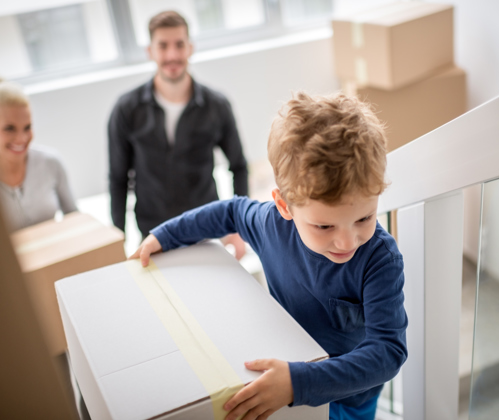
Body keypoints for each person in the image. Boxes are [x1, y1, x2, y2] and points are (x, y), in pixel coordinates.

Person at [132, 92, 408, 420]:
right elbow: (230, 212)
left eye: (364, 218)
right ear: (284, 206)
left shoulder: (380, 259)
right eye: (324, 225)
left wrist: (297, 383)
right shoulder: (270, 225)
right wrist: (166, 234)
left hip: (349, 394)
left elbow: (388, 352)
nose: (348, 240)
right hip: (284, 369)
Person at [108, 10, 248, 257]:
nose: (172, 54)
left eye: (179, 45)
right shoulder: (126, 110)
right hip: (152, 233)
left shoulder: (217, 105)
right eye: (163, 46)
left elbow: (238, 166)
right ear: (150, 51)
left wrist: (240, 228)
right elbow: (118, 178)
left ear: (190, 48)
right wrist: (117, 239)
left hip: (207, 229)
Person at [0, 77, 77, 232]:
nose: (21, 139)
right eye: (9, 128)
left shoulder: (51, 163)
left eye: (27, 127)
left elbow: (75, 218)